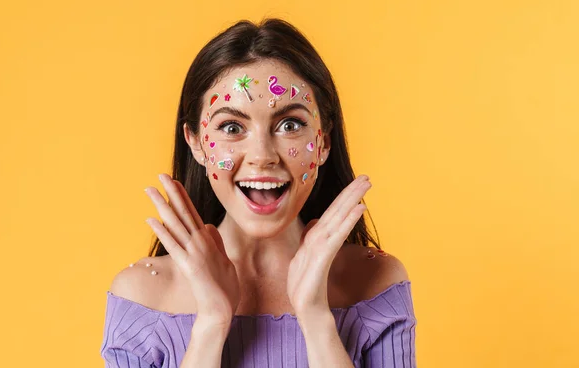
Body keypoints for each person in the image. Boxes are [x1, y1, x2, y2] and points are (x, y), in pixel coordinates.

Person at [100, 18, 417, 367]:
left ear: (323, 142)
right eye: (232, 127)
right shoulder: (142, 297)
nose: (263, 157)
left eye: (290, 125)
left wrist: (315, 317)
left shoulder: (376, 284)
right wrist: (211, 324)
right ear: (196, 143)